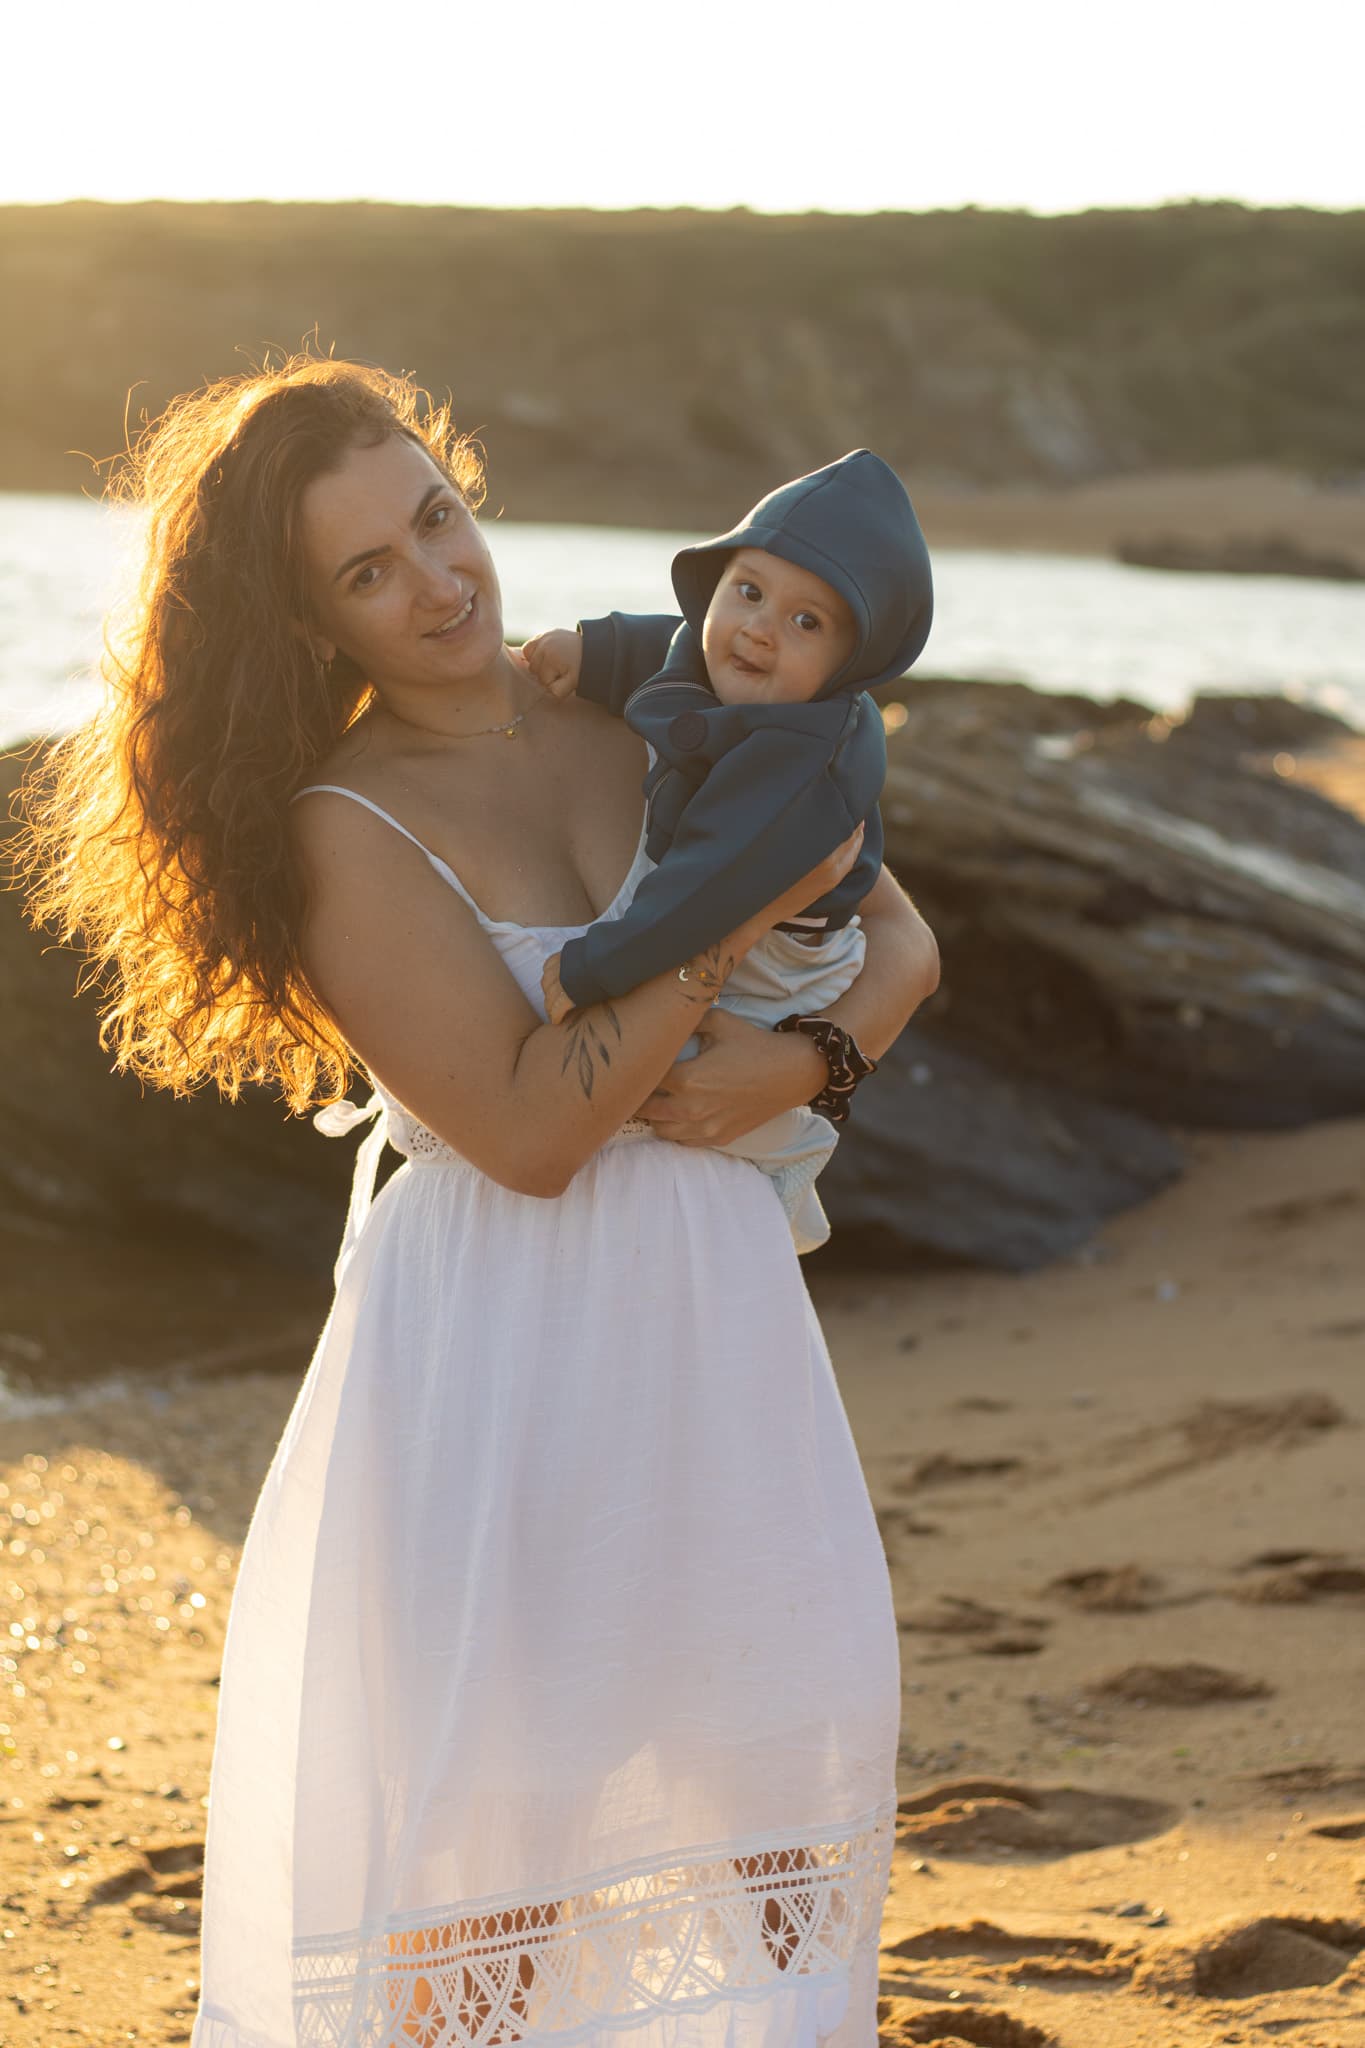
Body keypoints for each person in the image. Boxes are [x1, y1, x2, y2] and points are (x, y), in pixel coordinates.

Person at [17, 355, 940, 2048]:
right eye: (367, 570)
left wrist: (810, 1066)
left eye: (434, 519)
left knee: (770, 1787)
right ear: (311, 621)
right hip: (502, 1355)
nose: (437, 582)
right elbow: (530, 1128)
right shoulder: (341, 825)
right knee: (497, 1858)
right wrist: (722, 938)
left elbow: (899, 932)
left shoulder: (647, 703)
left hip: (716, 1318)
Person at [523, 449, 932, 1253]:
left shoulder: (803, 757)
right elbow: (675, 650)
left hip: (790, 949)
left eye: (805, 622)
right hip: (728, 905)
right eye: (747, 591)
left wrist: (594, 967)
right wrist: (593, 651)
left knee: (699, 1056)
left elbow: (711, 886)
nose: (757, 629)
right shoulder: (741, 662)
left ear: (850, 663)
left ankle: (787, 1160)